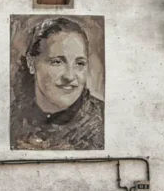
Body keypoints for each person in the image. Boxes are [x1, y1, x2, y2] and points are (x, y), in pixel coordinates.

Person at [10, 16, 104, 150]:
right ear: (31, 64)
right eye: (57, 62)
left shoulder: (103, 120)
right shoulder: (12, 119)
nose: (70, 76)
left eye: (79, 63)